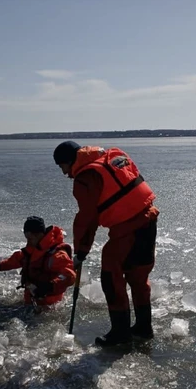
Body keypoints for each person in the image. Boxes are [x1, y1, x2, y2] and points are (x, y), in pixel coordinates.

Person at [53, 141, 159, 346]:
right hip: (149, 220)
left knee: (111, 278)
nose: (64, 173)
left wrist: (81, 252)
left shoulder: (85, 178)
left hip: (128, 229)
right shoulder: (111, 156)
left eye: (61, 166)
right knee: (138, 276)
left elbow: (87, 219)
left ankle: (120, 334)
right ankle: (144, 328)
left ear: (68, 161)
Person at [0, 216, 77, 309]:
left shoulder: (57, 254)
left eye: (30, 238)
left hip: (50, 305)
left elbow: (69, 275)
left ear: (39, 234)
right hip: (31, 301)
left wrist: (50, 286)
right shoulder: (33, 249)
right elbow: (16, 259)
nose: (28, 241)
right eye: (27, 238)